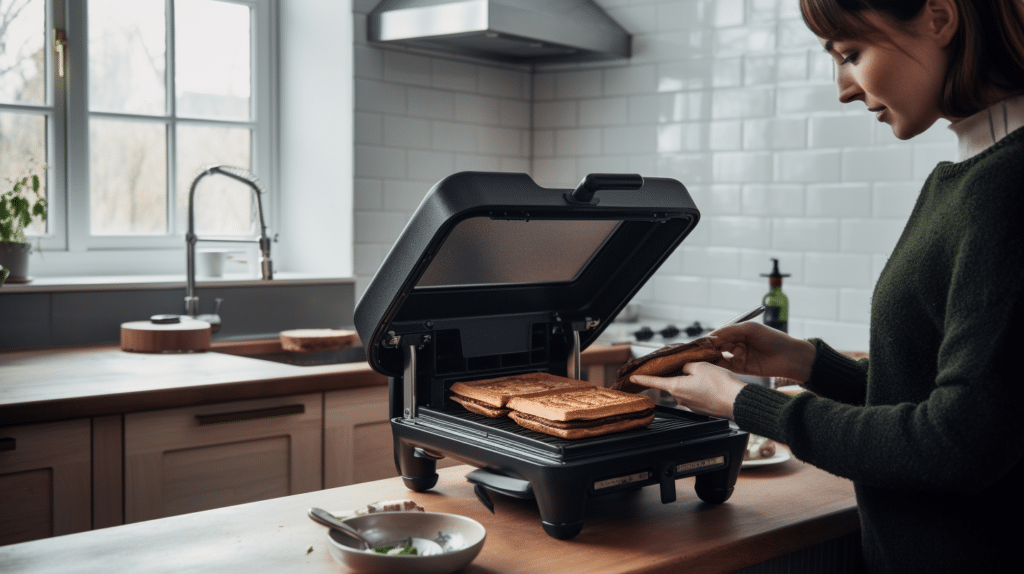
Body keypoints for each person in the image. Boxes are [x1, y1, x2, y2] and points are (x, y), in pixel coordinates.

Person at [629, 1, 1024, 572]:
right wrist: (807, 363)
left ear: (940, 19)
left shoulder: (1006, 187)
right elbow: (933, 394)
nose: (843, 89)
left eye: (850, 54)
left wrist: (743, 404)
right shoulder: (966, 176)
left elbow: (956, 443)